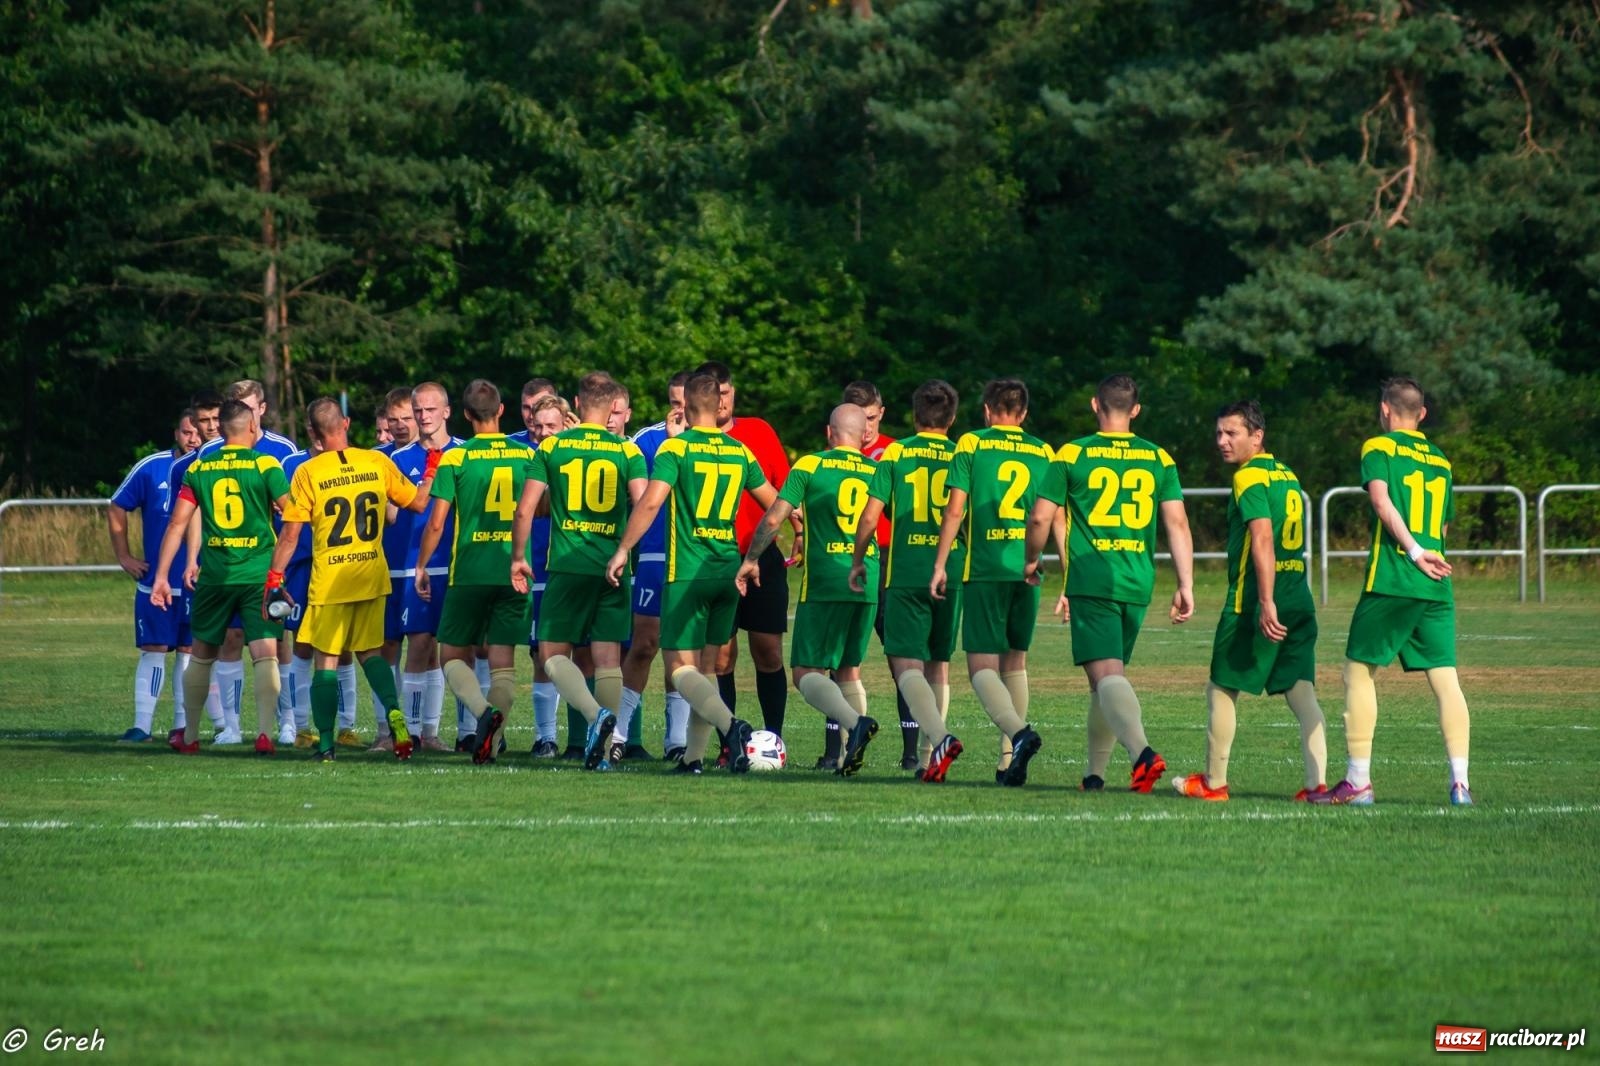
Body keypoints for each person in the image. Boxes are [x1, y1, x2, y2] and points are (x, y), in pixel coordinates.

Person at [1024, 373, 1193, 793]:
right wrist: (1186, 583)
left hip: (1093, 578)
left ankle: (1142, 755)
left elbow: (1040, 517)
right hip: (1137, 579)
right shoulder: (1159, 458)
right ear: (1135, 410)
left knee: (1107, 678)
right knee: (1104, 680)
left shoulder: (1071, 454)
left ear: (1094, 404)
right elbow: (1176, 522)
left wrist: (1031, 560)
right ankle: (1095, 775)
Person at [604, 370, 776, 774]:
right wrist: (758, 553)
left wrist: (622, 549)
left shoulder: (675, 450)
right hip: (727, 572)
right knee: (707, 667)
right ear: (719, 406)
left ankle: (731, 725)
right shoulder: (740, 451)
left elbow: (648, 504)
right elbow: (777, 504)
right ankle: (694, 758)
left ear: (690, 405)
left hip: (687, 573)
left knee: (680, 669)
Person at [1312, 376, 1471, 806]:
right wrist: (1428, 551)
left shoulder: (1378, 447)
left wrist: (1414, 551)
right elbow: (1441, 525)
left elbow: (1382, 504)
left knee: (1358, 672)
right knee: (1444, 679)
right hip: (1437, 582)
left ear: (1384, 409)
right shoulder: (1441, 460)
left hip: (1394, 577)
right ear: (1422, 414)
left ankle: (1358, 781)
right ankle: (1460, 784)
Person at [265, 397, 440, 761]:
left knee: (326, 661)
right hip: (372, 574)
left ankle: (326, 744)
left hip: (331, 578)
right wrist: (432, 468)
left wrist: (274, 579)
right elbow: (420, 503)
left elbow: (290, 535)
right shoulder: (376, 461)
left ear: (313, 434)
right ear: (346, 423)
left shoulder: (308, 472)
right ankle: (398, 723)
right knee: (372, 654)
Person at [1169, 401, 1327, 802]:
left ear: (1257, 437)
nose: (1221, 441)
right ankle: (1316, 786)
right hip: (1299, 596)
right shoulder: (1286, 473)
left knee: (1222, 687)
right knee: (1300, 689)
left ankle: (1213, 783)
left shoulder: (1249, 476)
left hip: (1254, 600)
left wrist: (1265, 601)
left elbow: (1262, 537)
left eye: (1231, 433)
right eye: (1219, 433)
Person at [510, 373, 648, 770]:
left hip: (568, 564)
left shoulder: (553, 446)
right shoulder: (626, 448)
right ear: (611, 410)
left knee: (552, 653)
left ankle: (595, 717)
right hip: (612, 566)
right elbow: (643, 503)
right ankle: (606, 749)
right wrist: (624, 548)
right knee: (607, 658)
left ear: (575, 402)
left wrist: (519, 555)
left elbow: (525, 508)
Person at [930, 378, 1059, 787]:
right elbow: (1054, 516)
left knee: (981, 666)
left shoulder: (972, 443)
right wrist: (1062, 573)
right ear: (1023, 414)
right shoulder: (1044, 450)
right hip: (1027, 569)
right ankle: (1008, 759)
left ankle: (1020, 736)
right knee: (1015, 661)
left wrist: (940, 563)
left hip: (985, 566)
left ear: (987, 410)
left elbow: (954, 511)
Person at [741, 404, 882, 775]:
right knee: (849, 668)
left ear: (829, 433)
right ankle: (848, 753)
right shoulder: (879, 469)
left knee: (805, 672)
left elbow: (775, 516)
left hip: (825, 582)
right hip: (867, 578)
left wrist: (753, 557)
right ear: (864, 434)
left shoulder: (810, 465)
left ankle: (855, 725)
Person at [149, 400, 292, 755]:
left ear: (220, 430)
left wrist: (162, 575)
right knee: (265, 654)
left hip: (214, 574)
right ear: (252, 429)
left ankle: (192, 734)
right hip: (259, 572)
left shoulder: (200, 468)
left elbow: (178, 523)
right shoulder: (265, 464)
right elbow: (292, 512)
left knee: (201, 655)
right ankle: (263, 733)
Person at [415, 380, 537, 765]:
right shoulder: (526, 455)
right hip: (514, 570)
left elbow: (437, 522)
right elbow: (540, 507)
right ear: (502, 411)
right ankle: (493, 741)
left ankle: (484, 716)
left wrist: (421, 565)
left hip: (468, 571)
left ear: (466, 415)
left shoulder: (457, 458)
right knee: (503, 664)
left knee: (451, 655)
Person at [849, 380, 965, 782]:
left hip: (905, 570)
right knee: (940, 663)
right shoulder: (961, 452)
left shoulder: (896, 453)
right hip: (951, 568)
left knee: (905, 662)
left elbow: (869, 515)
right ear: (951, 418)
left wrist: (858, 558)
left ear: (914, 415)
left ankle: (938, 738)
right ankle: (933, 753)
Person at [696, 360, 800, 744]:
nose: (721, 401)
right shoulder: (687, 442)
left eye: (726, 392)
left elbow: (783, 492)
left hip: (762, 559)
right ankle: (730, 741)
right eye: (714, 393)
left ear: (733, 392)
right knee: (721, 657)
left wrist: (799, 528)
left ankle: (773, 739)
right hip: (715, 560)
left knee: (769, 652)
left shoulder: (758, 431)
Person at [840, 379, 922, 770]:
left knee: (900, 655)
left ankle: (911, 750)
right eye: (860, 418)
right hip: (845, 559)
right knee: (841, 657)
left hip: (890, 559)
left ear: (881, 414)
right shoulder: (834, 455)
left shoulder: (897, 452)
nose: (867, 427)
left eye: (872, 418)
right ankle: (836, 749)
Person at [108, 409, 201, 743]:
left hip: (196, 582)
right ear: (175, 432)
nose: (193, 439)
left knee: (190, 652)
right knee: (154, 648)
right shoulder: (151, 467)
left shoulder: (212, 465)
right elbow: (117, 506)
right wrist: (124, 556)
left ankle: (181, 725)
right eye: (187, 432)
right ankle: (142, 726)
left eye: (198, 432)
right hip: (156, 581)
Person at [620, 372, 691, 761]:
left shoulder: (709, 444)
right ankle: (620, 735)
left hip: (692, 559)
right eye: (672, 400)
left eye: (683, 401)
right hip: (653, 556)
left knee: (681, 650)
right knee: (644, 644)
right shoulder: (644, 441)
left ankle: (676, 740)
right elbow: (641, 499)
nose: (676, 409)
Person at [390, 382, 463, 751]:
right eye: (418, 411)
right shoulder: (399, 459)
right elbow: (389, 516)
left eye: (430, 410)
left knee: (455, 648)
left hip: (455, 566)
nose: (423, 417)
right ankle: (415, 732)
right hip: (413, 567)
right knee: (419, 644)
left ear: (447, 411)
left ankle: (442, 732)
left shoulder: (465, 454)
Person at [508, 387, 570, 757]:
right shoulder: (523, 455)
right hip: (536, 565)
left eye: (551, 425)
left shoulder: (574, 454)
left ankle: (591, 734)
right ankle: (545, 736)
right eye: (537, 424)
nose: (543, 431)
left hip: (571, 562)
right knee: (540, 653)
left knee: (588, 652)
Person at [368, 386, 419, 752]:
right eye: (394, 419)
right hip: (384, 567)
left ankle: (423, 731)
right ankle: (386, 731)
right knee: (386, 647)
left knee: (425, 647)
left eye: (408, 418)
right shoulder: (374, 460)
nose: (400, 426)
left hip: (426, 566)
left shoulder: (450, 452)